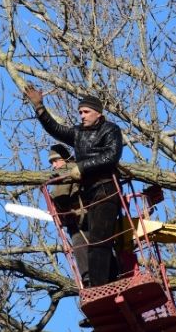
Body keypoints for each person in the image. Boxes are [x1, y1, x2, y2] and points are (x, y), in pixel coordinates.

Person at [25, 85, 123, 287]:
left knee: (99, 240)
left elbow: (112, 155)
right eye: (80, 112)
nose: (82, 116)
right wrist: (39, 108)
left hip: (106, 189)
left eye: (86, 112)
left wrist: (83, 166)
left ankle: (100, 288)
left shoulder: (111, 130)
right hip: (90, 193)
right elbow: (56, 129)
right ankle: (110, 281)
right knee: (91, 240)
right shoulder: (78, 133)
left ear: (98, 113)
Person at [46, 144, 89, 286]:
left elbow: (61, 196)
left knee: (79, 243)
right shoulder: (78, 168)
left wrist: (55, 207)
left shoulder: (68, 170)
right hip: (92, 215)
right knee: (100, 247)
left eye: (55, 161)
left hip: (81, 219)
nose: (54, 166)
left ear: (64, 159)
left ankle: (88, 279)